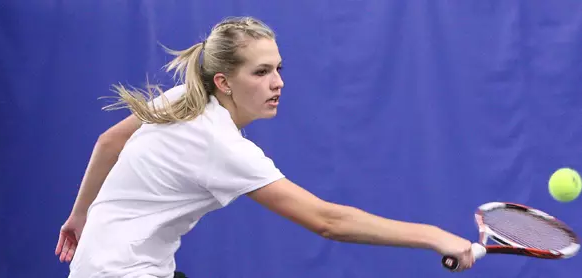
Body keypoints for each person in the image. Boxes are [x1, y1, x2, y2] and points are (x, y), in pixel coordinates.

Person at [56, 16, 476, 277]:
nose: (278, 83)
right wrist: (433, 236)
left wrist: (80, 216)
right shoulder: (219, 145)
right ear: (224, 82)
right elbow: (328, 221)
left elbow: (109, 140)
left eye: (278, 69)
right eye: (261, 72)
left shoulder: (181, 99)